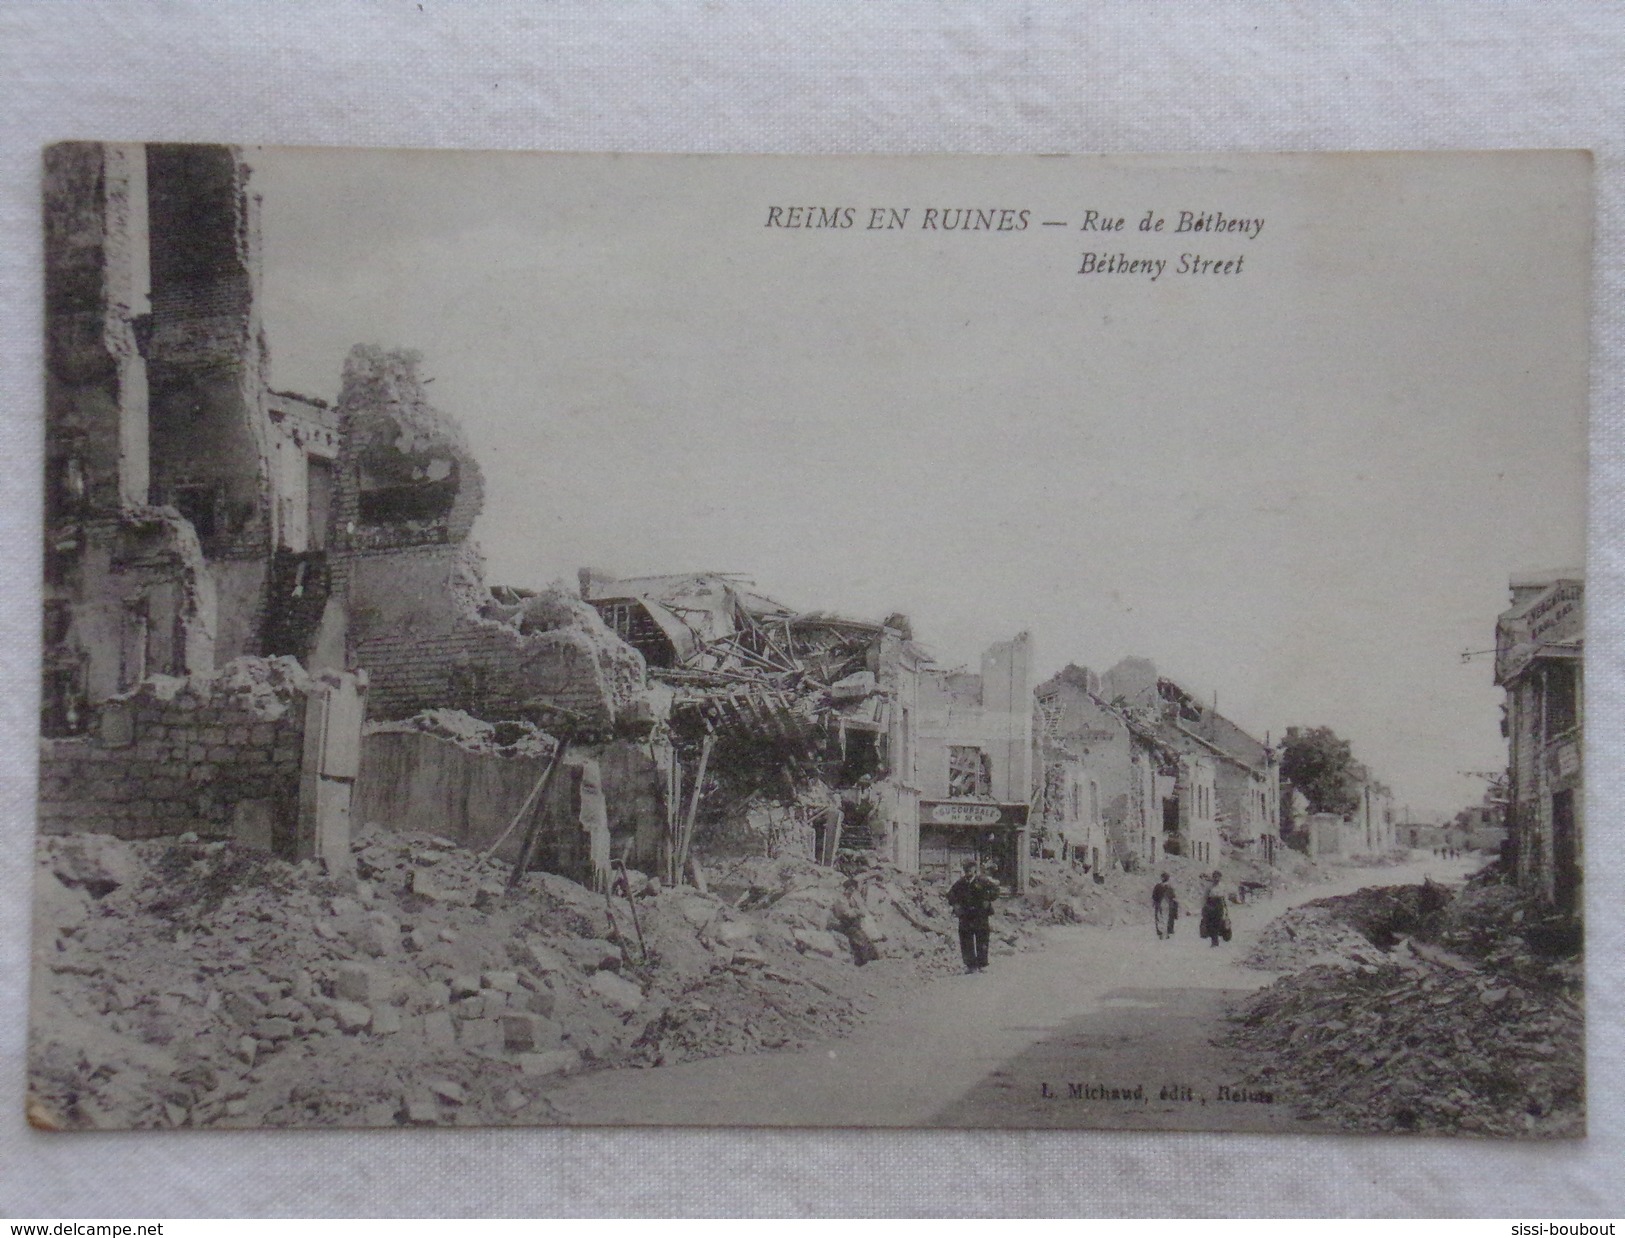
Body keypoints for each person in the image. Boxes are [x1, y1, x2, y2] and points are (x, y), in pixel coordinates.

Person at [947, 858, 1000, 973]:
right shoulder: (960, 883)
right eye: (966, 869)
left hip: (980, 914)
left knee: (982, 938)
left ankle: (981, 964)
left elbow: (996, 890)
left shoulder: (983, 881)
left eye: (970, 868)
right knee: (966, 939)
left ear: (974, 869)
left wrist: (988, 899)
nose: (968, 871)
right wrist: (956, 905)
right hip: (966, 915)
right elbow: (950, 894)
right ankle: (970, 965)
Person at [1199, 870, 1232, 948]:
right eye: (1214, 877)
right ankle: (1214, 941)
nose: (1216, 879)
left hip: (1219, 905)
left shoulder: (1223, 886)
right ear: (1213, 878)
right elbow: (1205, 897)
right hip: (1211, 905)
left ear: (1220, 878)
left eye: (1218, 877)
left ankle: (1217, 938)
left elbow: (1225, 898)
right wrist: (1203, 907)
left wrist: (1226, 909)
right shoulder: (1209, 886)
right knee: (1211, 923)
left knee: (1219, 922)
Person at [1151, 871, 1179, 939]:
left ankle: (1161, 932)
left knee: (1160, 918)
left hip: (1160, 905)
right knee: (1167, 919)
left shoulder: (1158, 886)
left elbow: (1154, 896)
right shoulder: (1170, 887)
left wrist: (1155, 902)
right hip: (1168, 906)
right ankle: (1167, 932)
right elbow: (1173, 897)